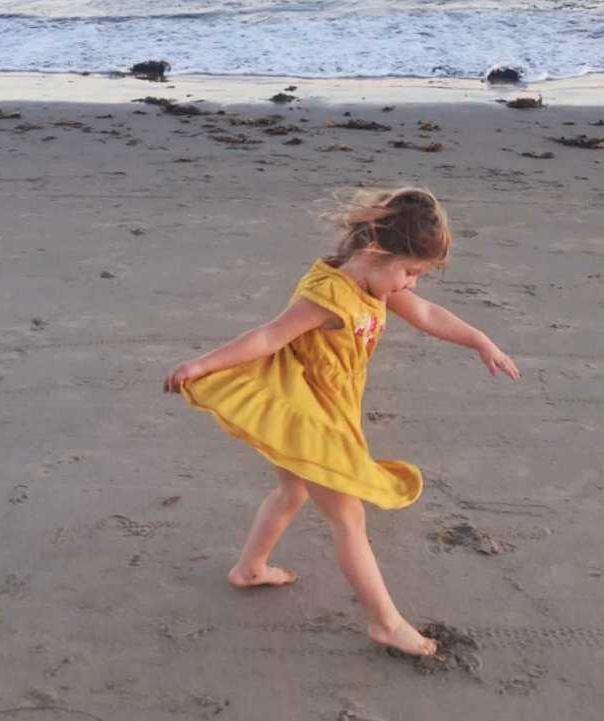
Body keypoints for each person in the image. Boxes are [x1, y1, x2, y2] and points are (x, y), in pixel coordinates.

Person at [164, 186, 521, 657]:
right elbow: (269, 336)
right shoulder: (329, 297)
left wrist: (479, 340)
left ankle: (250, 568)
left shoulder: (375, 285)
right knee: (348, 516)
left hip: (331, 408)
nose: (412, 284)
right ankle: (386, 623)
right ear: (376, 250)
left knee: (292, 492)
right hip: (309, 417)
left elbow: (429, 314)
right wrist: (201, 366)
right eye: (410, 272)